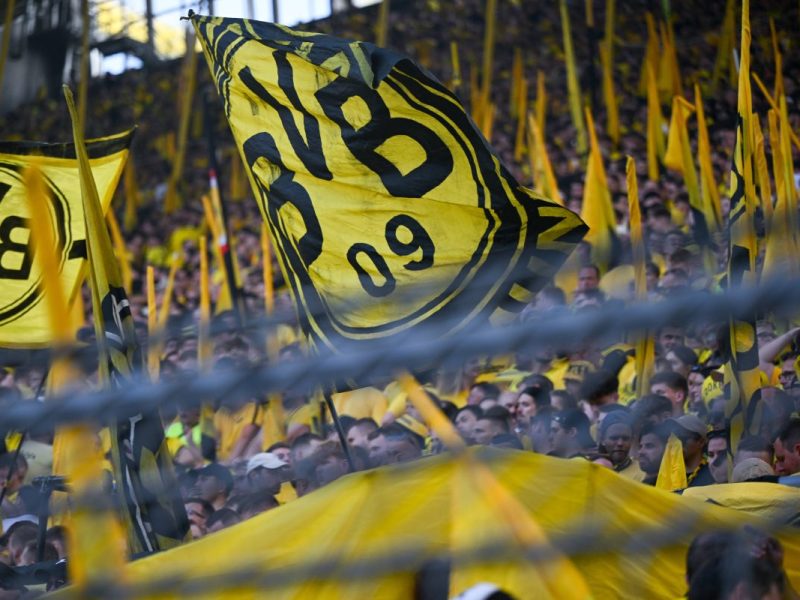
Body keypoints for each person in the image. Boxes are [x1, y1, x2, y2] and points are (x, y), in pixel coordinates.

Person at [597, 411, 644, 481]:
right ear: (602, 440)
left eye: (625, 439)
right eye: (614, 438)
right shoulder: (590, 468)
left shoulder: (643, 472)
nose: (620, 443)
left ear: (632, 440)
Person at [670, 415, 714, 487]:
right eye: (674, 439)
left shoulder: (712, 472)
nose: (676, 444)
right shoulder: (669, 473)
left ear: (701, 442)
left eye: (682, 438)